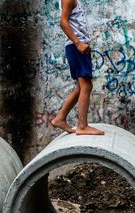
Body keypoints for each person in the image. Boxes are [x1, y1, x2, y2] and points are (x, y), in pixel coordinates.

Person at [51, 0, 104, 135]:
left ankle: (60, 118)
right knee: (86, 85)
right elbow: (63, 22)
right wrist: (78, 43)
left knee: (81, 87)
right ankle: (82, 126)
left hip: (77, 46)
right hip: (76, 46)